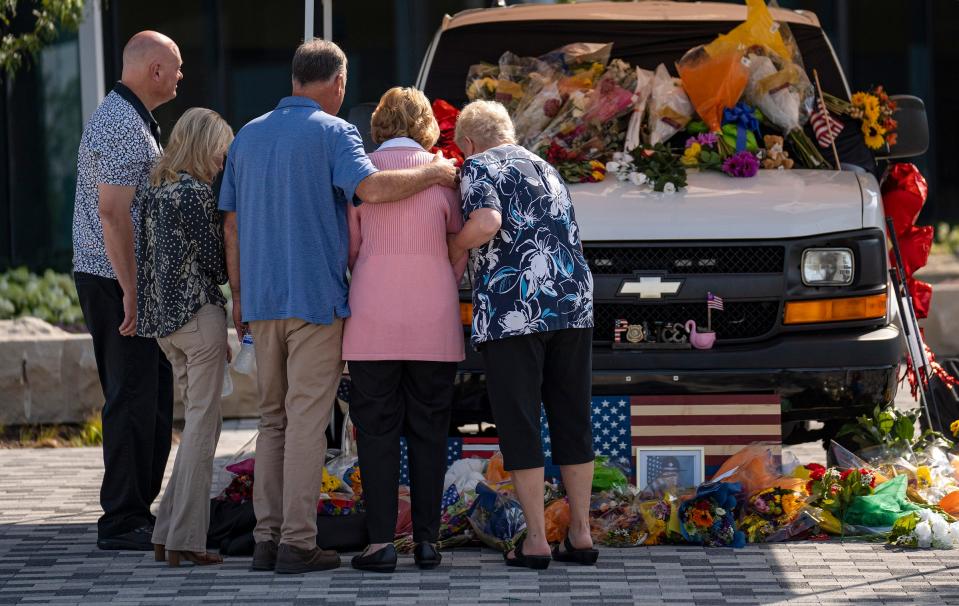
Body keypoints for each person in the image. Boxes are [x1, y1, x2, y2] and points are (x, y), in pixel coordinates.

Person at [219, 39, 457, 575]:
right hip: (315, 299)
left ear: (294, 78)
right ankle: (298, 543)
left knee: (272, 419)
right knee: (306, 420)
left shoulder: (247, 137)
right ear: (338, 83)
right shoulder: (335, 132)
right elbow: (370, 190)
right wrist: (437, 174)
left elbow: (230, 225)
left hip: (260, 299)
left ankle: (265, 537)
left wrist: (239, 298)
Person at [448, 100, 597, 569]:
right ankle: (582, 533)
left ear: (468, 143)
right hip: (572, 305)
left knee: (521, 422)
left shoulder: (478, 166)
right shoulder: (546, 167)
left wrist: (453, 245)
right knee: (573, 417)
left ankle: (536, 540)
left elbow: (487, 222)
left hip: (515, 312)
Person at [343, 87, 466, 573]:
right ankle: (429, 541)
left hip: (372, 316)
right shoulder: (443, 176)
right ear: (425, 125)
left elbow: (349, 251)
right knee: (429, 431)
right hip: (434, 317)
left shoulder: (362, 173)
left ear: (378, 123)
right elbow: (458, 241)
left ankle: (380, 543)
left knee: (376, 431)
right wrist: (441, 278)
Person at [71, 30, 183, 551]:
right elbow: (113, 215)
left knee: (153, 394)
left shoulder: (131, 117)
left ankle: (138, 507)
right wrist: (132, 292)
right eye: (176, 67)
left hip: (123, 278)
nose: (182, 76)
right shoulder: (120, 121)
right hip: (115, 279)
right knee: (132, 396)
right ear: (155, 70)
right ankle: (121, 519)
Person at [136, 107, 234, 567]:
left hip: (165, 327)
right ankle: (186, 539)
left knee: (199, 425)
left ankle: (166, 531)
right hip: (198, 317)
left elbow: (145, 260)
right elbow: (215, 264)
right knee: (202, 429)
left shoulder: (155, 189)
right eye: (221, 150)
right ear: (205, 145)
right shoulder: (195, 195)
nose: (223, 160)